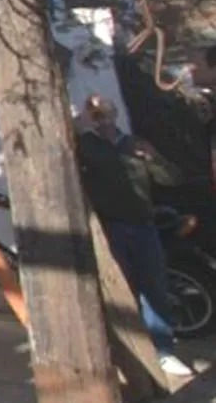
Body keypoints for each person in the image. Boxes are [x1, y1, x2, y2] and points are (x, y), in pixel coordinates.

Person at [75, 93, 194, 377]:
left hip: (142, 224)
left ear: (114, 113)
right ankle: (121, 352)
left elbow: (172, 178)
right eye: (94, 112)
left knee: (153, 287)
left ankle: (163, 351)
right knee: (119, 291)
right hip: (110, 226)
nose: (100, 117)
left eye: (104, 111)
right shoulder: (86, 145)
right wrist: (79, 125)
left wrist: (153, 159)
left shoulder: (134, 144)